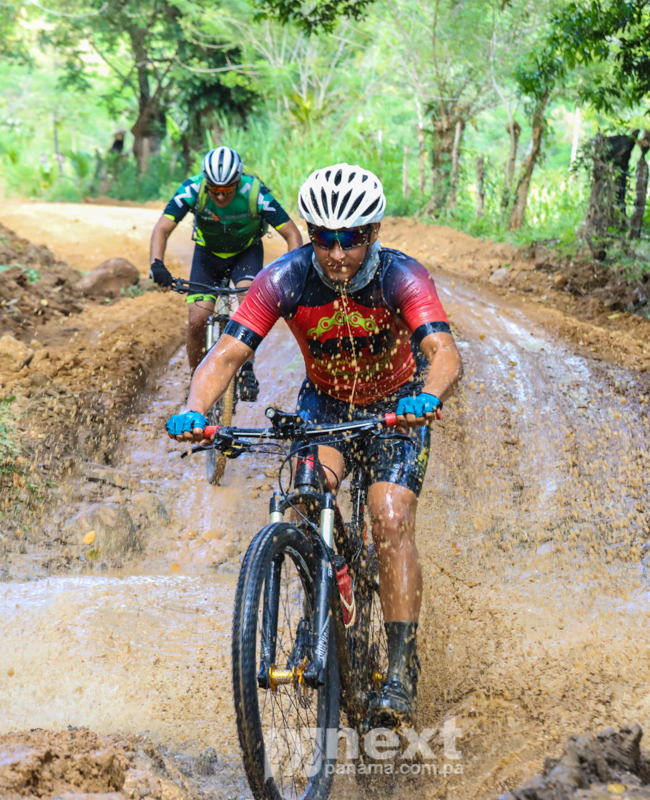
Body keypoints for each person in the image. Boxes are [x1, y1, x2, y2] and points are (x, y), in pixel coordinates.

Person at [166, 163, 463, 727]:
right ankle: (321, 599)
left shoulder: (402, 275)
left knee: (390, 515)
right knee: (304, 497)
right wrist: (195, 409)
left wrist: (428, 395)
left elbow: (444, 352)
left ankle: (400, 668)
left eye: (351, 238)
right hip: (326, 407)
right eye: (324, 238)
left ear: (373, 233)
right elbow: (227, 353)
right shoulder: (285, 276)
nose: (336, 254)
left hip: (397, 408)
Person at [149, 146, 303, 400]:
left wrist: (294, 275)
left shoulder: (254, 193)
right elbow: (162, 229)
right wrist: (157, 264)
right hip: (207, 255)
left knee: (247, 301)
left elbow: (292, 234)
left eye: (227, 189)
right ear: (206, 183)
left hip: (246, 253)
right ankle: (196, 378)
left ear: (238, 181)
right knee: (197, 319)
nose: (220, 196)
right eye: (215, 189)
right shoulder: (193, 189)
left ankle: (247, 368)